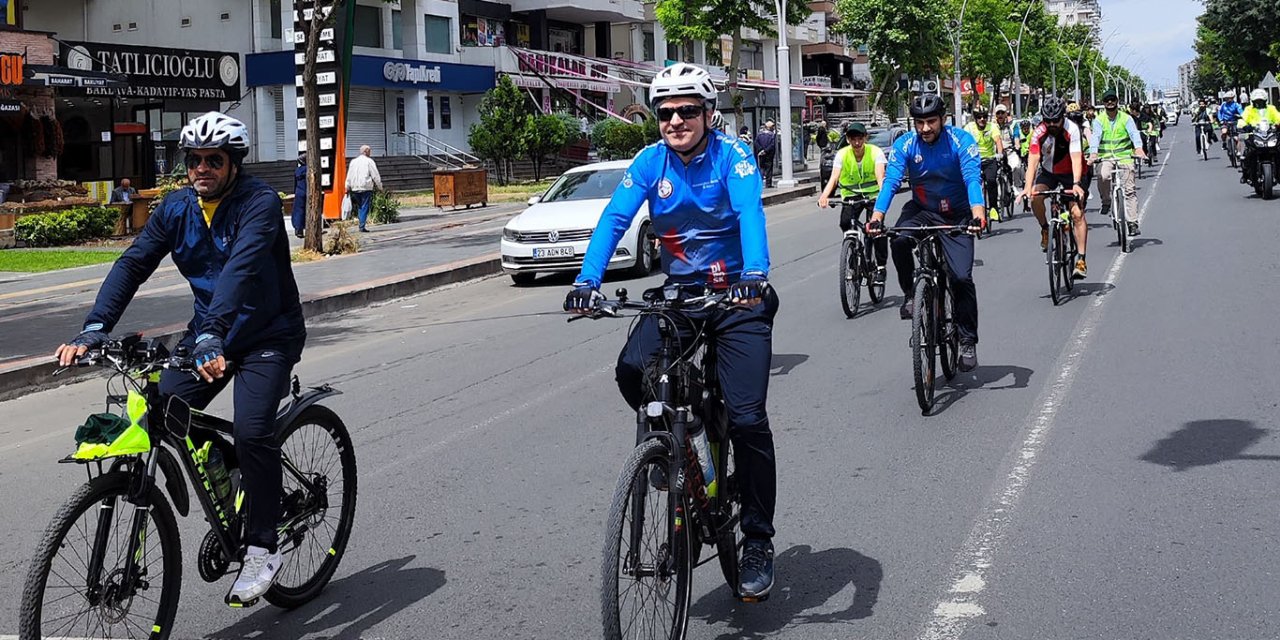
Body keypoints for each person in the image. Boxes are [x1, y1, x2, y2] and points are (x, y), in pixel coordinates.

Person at [54, 112, 306, 606]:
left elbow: (239, 270)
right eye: (194, 160)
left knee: (254, 429)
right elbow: (134, 263)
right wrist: (95, 327)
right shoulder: (175, 209)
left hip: (266, 336)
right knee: (165, 408)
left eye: (214, 160)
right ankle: (233, 468)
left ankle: (261, 546)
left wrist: (213, 333)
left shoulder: (257, 204)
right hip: (209, 335)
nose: (202, 169)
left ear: (234, 163)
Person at [563, 62, 780, 601]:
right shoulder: (648, 163)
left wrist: (754, 274)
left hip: (737, 296)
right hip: (683, 296)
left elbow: (751, 213)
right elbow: (615, 220)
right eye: (665, 112)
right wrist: (587, 281)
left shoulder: (735, 157)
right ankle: (676, 450)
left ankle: (756, 539)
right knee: (631, 368)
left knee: (749, 416)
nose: (675, 120)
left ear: (708, 114)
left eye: (687, 110)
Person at [866, 93, 986, 370]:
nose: (925, 128)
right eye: (919, 122)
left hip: (957, 214)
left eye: (931, 121)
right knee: (897, 241)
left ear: (943, 119)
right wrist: (877, 216)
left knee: (961, 278)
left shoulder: (960, 141)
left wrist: (978, 213)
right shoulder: (905, 144)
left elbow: (971, 178)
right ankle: (911, 294)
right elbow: (892, 182)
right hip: (922, 210)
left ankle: (967, 340)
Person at [1022, 96, 1089, 278]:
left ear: (1063, 117)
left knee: (1076, 214)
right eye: (1047, 120)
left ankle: (1081, 259)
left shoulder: (1072, 129)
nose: (1051, 124)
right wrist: (1028, 187)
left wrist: (1076, 184)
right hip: (1049, 172)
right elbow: (1033, 161)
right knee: (1035, 197)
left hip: (1071, 173)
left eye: (1055, 120)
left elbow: (1076, 158)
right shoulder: (1039, 132)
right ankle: (1045, 228)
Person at [818, 121, 888, 282]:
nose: (856, 143)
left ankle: (880, 267)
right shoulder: (842, 154)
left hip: (873, 195)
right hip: (851, 196)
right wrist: (824, 196)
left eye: (859, 139)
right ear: (848, 139)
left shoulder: (875, 152)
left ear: (865, 138)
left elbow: (880, 178)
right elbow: (834, 178)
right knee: (845, 223)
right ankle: (853, 253)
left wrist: (883, 199)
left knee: (876, 229)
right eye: (852, 139)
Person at [1089, 91, 1147, 237]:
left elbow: (1134, 134)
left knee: (1129, 190)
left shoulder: (1126, 118)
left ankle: (1132, 222)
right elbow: (1095, 137)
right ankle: (1106, 201)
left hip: (1125, 157)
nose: (1110, 103)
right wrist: (1093, 154)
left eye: (1112, 100)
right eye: (1107, 100)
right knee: (1103, 175)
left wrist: (1139, 149)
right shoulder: (1099, 120)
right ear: (1103, 103)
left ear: (1117, 101)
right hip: (1106, 157)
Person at [963, 104, 1006, 221]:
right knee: (969, 182)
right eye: (979, 117)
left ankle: (993, 208)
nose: (982, 119)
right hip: (974, 160)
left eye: (984, 117)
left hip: (990, 159)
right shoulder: (969, 128)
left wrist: (1000, 154)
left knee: (991, 181)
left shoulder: (992, 127)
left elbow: (998, 141)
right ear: (975, 118)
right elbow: (963, 143)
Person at [1237, 88, 1280, 184]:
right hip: (1255, 134)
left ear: (1265, 101)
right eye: (1257, 101)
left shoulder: (1271, 108)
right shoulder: (1249, 109)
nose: (1259, 103)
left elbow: (1278, 117)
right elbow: (1242, 119)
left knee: (1278, 151)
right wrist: (1244, 126)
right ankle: (1245, 174)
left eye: (1261, 101)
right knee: (1248, 154)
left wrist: (1277, 124)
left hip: (1270, 134)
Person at [345, 145, 382, 232]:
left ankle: (361, 223)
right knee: (364, 206)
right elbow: (375, 175)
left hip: (355, 187)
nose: (370, 153)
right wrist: (380, 186)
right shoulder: (369, 161)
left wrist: (347, 186)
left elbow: (349, 175)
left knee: (360, 206)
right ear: (366, 151)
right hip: (365, 187)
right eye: (369, 151)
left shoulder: (353, 162)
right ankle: (362, 225)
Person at [1065, 102, 1093, 208]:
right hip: (1067, 162)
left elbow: (1091, 142)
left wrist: (1093, 155)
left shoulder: (1085, 129)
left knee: (1085, 185)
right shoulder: (1064, 130)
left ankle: (1083, 202)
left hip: (1084, 161)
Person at [754, 118, 778, 188]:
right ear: (770, 127)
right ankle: (768, 183)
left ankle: (760, 183)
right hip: (769, 154)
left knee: (762, 168)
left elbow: (756, 143)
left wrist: (761, 150)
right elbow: (772, 145)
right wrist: (766, 150)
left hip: (761, 154)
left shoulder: (759, 135)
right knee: (769, 169)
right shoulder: (772, 135)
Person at [292, 153, 307, 239]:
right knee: (305, 211)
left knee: (298, 211)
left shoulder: (297, 170)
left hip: (298, 192)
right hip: (307, 192)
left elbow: (295, 183)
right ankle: (304, 227)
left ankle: (298, 229)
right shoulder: (309, 169)